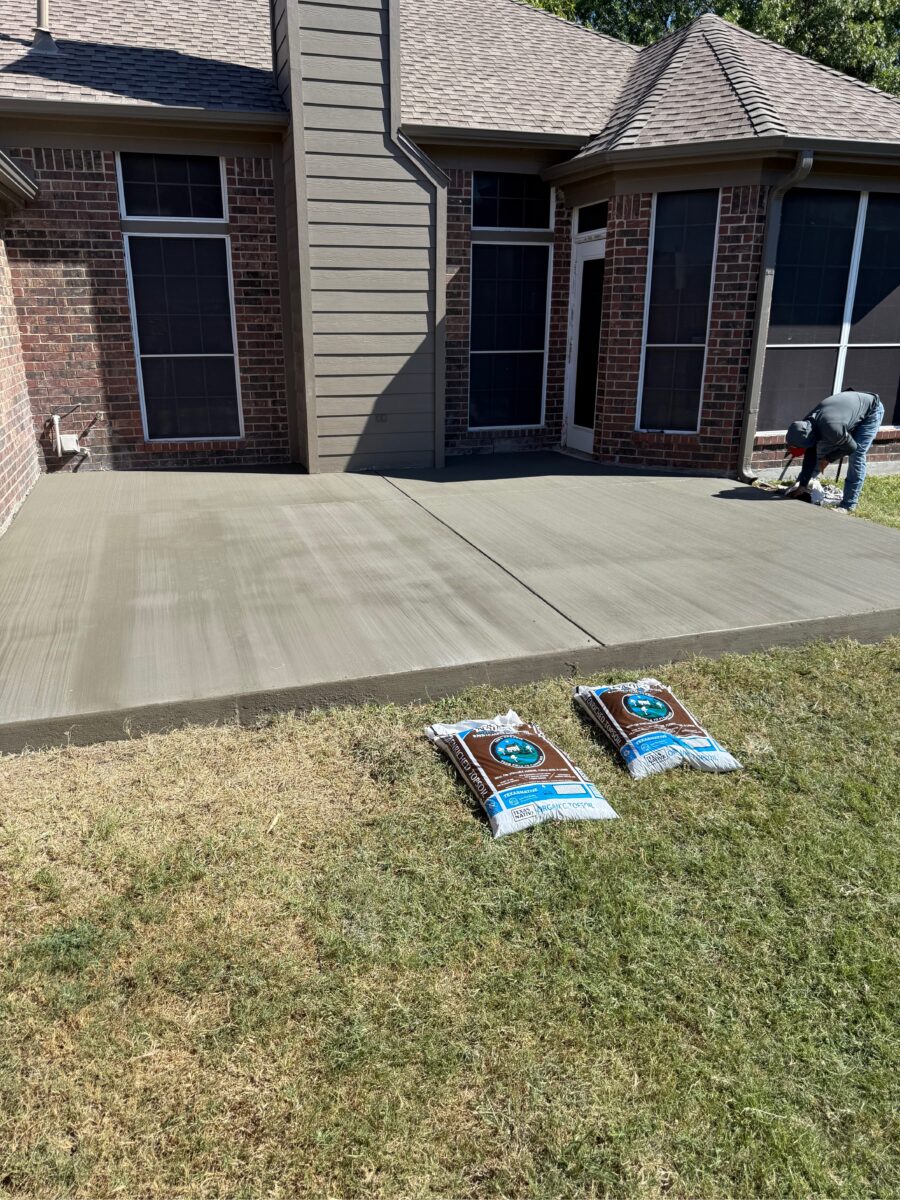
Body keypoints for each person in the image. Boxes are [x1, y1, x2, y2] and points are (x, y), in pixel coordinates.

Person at [784, 389, 884, 513]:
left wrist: (829, 458)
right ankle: (802, 487)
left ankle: (848, 505)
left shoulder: (832, 428)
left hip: (871, 411)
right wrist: (802, 485)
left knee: (856, 456)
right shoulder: (805, 424)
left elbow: (852, 447)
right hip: (845, 412)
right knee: (820, 452)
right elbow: (811, 452)